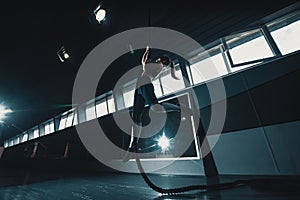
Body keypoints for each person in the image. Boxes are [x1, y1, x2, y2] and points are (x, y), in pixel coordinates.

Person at [122, 46, 191, 162]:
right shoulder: (155, 63)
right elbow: (143, 62)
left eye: (162, 60)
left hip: (145, 85)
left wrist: (147, 52)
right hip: (138, 88)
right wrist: (147, 51)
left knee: (155, 108)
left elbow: (144, 64)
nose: (159, 60)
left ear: (163, 62)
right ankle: (133, 145)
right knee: (136, 118)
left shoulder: (159, 67)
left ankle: (179, 107)